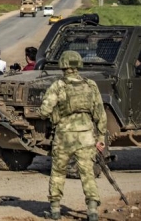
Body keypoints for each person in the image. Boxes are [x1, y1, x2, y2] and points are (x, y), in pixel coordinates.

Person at [39, 50, 107, 221]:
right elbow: (100, 113)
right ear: (78, 65)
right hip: (86, 136)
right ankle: (92, 211)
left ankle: (55, 210)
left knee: (58, 172)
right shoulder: (90, 85)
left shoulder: (58, 85)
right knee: (87, 173)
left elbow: (44, 111)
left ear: (62, 65)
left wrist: (48, 113)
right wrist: (101, 138)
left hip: (64, 136)